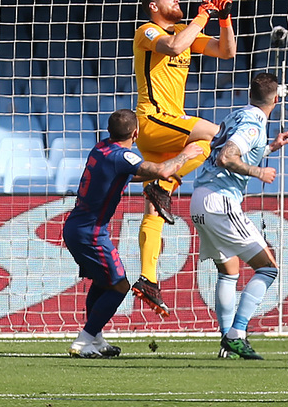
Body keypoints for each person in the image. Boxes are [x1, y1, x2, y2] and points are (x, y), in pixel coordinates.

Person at [131, 0, 237, 317]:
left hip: (170, 132)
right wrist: (202, 16)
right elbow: (175, 47)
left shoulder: (184, 31)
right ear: (152, 6)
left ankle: (147, 279)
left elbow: (226, 52)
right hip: (154, 121)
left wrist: (224, 19)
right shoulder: (146, 32)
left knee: (153, 212)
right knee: (217, 136)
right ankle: (164, 183)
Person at [64, 109, 202, 358]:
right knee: (119, 286)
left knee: (103, 282)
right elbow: (160, 171)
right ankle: (84, 340)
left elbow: (129, 173)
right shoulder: (122, 155)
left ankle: (95, 338)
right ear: (136, 133)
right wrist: (185, 155)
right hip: (90, 234)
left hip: (79, 226)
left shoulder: (101, 148)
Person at [189, 72, 288, 360]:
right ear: (275, 100)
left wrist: (270, 147)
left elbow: (232, 151)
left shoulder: (238, 115)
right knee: (268, 268)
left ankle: (227, 341)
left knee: (229, 271)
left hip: (200, 198)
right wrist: (258, 171)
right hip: (220, 201)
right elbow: (227, 156)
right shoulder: (252, 124)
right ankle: (236, 333)